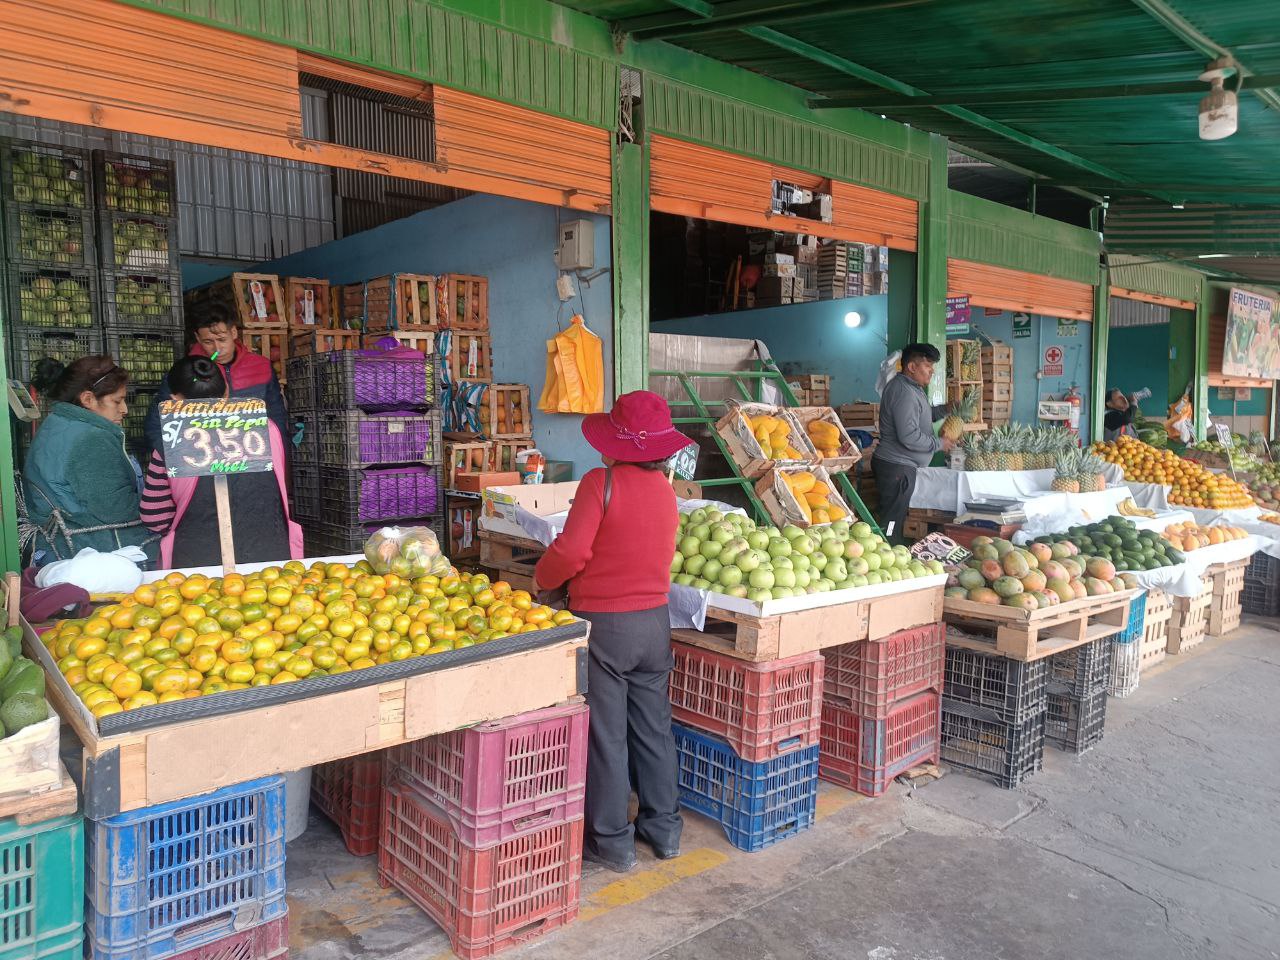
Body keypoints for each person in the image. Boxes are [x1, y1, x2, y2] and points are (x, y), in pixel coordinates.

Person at [533, 390, 691, 873]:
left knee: (607, 736)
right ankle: (664, 831)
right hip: (654, 623)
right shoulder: (666, 489)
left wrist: (540, 582)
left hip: (606, 627)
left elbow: (571, 552)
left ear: (615, 445)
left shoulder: (599, 483)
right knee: (653, 729)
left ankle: (613, 842)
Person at [141, 357, 302, 568]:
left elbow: (155, 517)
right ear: (226, 391)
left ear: (175, 400)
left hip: (198, 570)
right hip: (270, 562)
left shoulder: (169, 442)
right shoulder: (268, 429)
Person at [23, 356, 153, 562]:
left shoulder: (57, 421)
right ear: (87, 399)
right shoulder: (92, 438)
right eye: (117, 401)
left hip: (58, 540)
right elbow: (115, 510)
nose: (124, 409)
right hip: (89, 545)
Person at [142, 304, 287, 457]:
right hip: (202, 465)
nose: (217, 348)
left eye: (222, 339)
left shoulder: (261, 366)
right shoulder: (183, 374)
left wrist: (278, 457)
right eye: (208, 342)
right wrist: (180, 460)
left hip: (254, 462)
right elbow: (156, 426)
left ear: (233, 332)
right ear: (198, 338)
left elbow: (276, 418)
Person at [874, 342, 953, 545]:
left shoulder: (913, 389)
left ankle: (891, 548)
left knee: (897, 514)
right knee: (892, 517)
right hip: (896, 467)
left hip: (901, 466)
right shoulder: (904, 392)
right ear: (911, 367)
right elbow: (908, 436)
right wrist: (938, 443)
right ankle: (888, 548)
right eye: (928, 366)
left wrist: (946, 409)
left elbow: (923, 417)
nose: (931, 372)